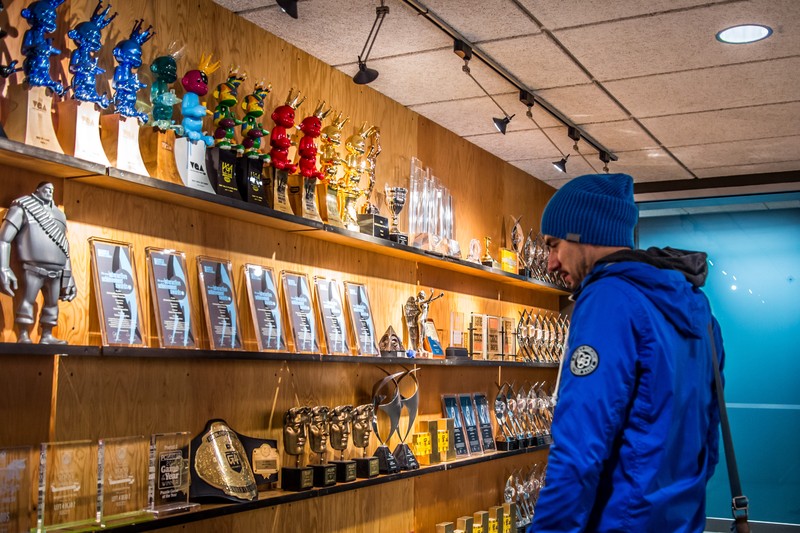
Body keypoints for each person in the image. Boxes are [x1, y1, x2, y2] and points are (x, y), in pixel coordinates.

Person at [528, 173, 723, 533]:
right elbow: (708, 440)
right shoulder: (698, 308)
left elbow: (578, 449)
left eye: (554, 245)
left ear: (580, 235)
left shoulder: (608, 300)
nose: (551, 263)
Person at [0, 182, 76, 344]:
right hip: (32, 268)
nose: (50, 192)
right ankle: (23, 335)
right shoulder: (22, 207)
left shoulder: (59, 215)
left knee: (52, 304)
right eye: (46, 189)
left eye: (52, 190)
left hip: (57, 270)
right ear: (37, 191)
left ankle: (47, 335)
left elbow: (64, 246)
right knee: (27, 300)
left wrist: (69, 275)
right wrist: (3, 268)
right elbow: (3, 239)